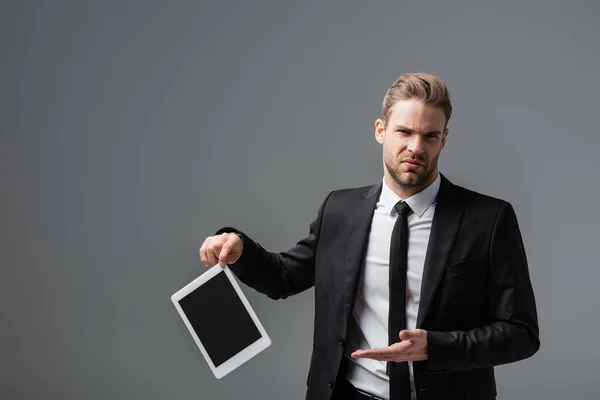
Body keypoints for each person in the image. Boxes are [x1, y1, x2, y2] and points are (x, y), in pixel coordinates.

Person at [199, 72, 540, 400]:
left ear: (444, 139)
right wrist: (238, 246)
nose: (415, 147)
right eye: (404, 131)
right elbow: (284, 277)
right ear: (381, 131)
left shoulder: (489, 219)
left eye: (429, 136)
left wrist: (435, 347)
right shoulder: (340, 210)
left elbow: (521, 333)